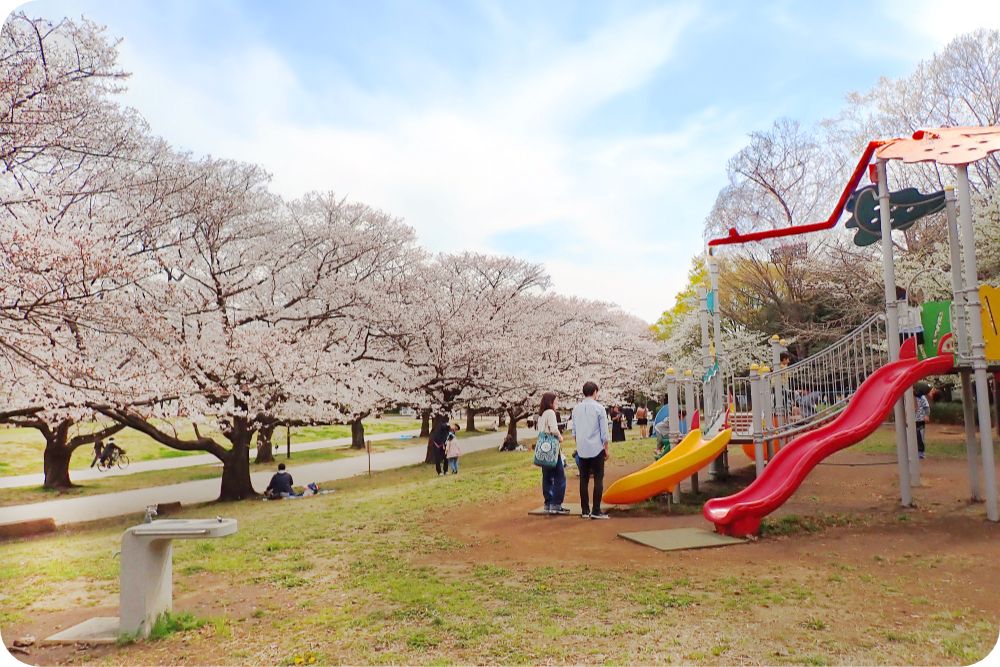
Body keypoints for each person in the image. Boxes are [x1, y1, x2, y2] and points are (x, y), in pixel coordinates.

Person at [572, 381, 610, 519]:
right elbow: (604, 432)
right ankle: (596, 510)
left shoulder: (576, 409)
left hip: (582, 449)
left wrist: (579, 445)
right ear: (595, 392)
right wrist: (606, 448)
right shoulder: (599, 408)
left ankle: (584, 510)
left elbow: (574, 432)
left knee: (584, 479)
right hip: (596, 448)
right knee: (598, 478)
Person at [535, 392, 569, 515]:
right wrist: (560, 437)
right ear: (550, 401)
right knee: (560, 477)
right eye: (556, 400)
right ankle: (556, 504)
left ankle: (548, 503)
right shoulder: (550, 413)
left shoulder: (542, 414)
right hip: (552, 450)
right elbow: (554, 429)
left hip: (544, 449)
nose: (557, 403)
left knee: (547, 476)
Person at [915, 386, 931, 460]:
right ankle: (913, 451)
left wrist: (927, 415)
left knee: (920, 435)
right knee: (913, 436)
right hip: (911, 420)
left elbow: (926, 407)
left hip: (920, 420)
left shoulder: (921, 397)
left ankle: (921, 452)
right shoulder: (908, 398)